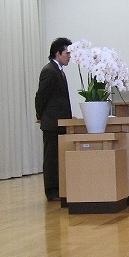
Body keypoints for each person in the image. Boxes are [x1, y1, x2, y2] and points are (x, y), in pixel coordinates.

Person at [35, 37, 73, 201]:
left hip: (60, 122)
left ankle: (59, 188)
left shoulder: (59, 71)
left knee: (59, 156)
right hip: (52, 122)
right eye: (67, 53)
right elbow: (41, 95)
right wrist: (40, 116)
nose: (69, 56)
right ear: (57, 53)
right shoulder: (49, 71)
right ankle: (51, 191)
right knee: (51, 157)